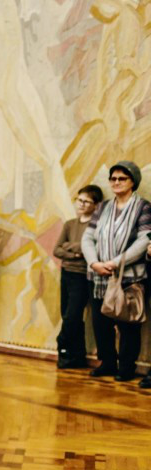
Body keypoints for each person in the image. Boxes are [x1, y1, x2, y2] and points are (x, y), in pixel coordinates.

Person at [82, 161, 150, 382]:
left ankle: (126, 367)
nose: (116, 182)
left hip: (129, 278)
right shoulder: (102, 207)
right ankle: (108, 363)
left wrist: (115, 263)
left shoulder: (143, 207)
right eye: (113, 178)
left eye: (122, 178)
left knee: (128, 324)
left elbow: (144, 241)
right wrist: (94, 263)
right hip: (99, 275)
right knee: (101, 324)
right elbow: (88, 237)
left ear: (133, 182)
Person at [53, 184, 103, 369]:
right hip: (66, 273)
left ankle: (64, 347)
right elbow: (57, 249)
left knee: (72, 316)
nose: (81, 204)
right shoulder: (70, 224)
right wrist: (76, 251)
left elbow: (91, 249)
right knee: (67, 314)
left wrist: (70, 247)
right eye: (79, 200)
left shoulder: (96, 226)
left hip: (83, 276)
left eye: (86, 201)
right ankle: (76, 356)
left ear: (96, 205)